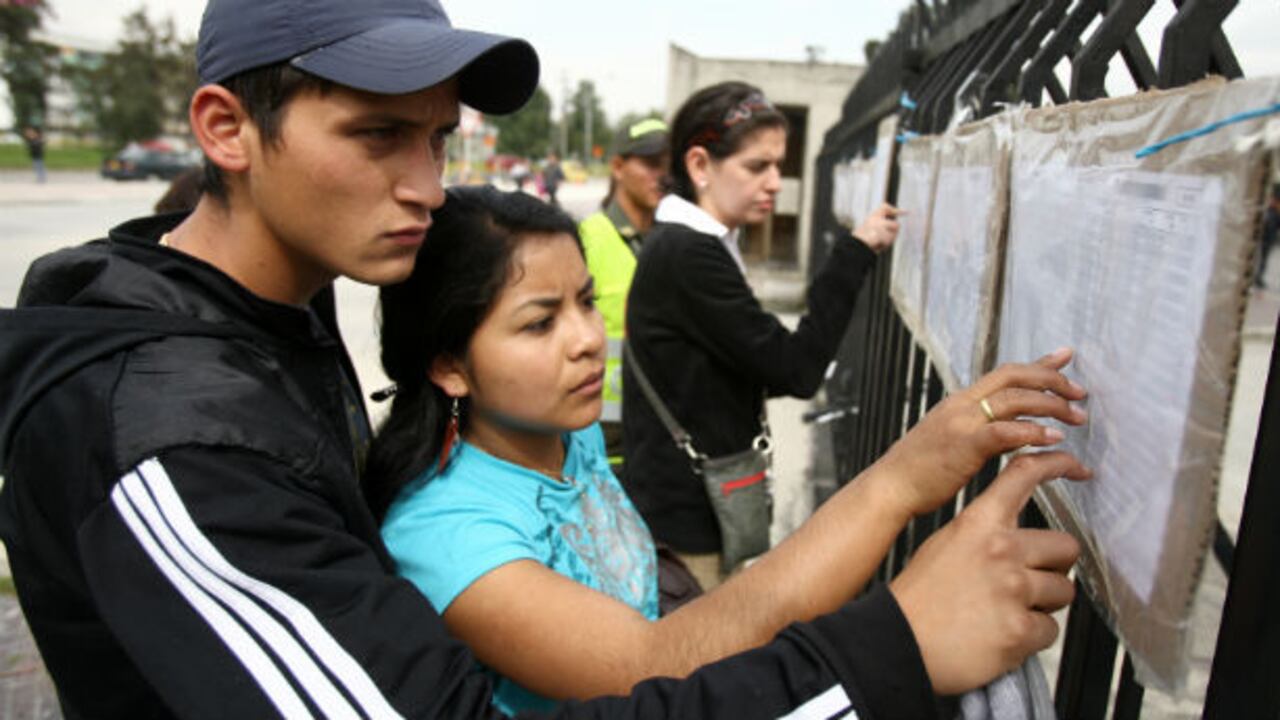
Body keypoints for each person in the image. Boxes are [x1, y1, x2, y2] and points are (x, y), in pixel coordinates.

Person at [0, 0, 1089, 716]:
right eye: (377, 135)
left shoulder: (268, 319)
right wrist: (892, 645)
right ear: (226, 129)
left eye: (436, 138)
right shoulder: (173, 437)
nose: (426, 186)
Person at [368, 185, 1092, 714]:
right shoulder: (446, 535)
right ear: (449, 365)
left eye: (585, 302)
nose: (587, 338)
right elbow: (652, 667)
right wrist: (899, 483)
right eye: (539, 323)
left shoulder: (565, 430)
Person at [622, 81, 902, 587]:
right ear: (700, 165)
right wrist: (854, 253)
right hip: (687, 525)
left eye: (778, 165)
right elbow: (796, 369)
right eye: (757, 167)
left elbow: (729, 364)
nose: (775, 182)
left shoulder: (693, 244)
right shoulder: (689, 254)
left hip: (689, 509)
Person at [577, 118, 669, 472]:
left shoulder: (676, 242)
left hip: (659, 440)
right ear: (617, 167)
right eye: (651, 163)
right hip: (597, 445)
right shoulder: (587, 239)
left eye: (669, 165)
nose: (663, 176)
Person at [1255, 183, 1279, 290]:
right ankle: (1256, 277)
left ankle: (1258, 277)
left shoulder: (1275, 212)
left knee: (1263, 259)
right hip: (1262, 238)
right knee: (1258, 258)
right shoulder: (1267, 210)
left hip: (1269, 239)